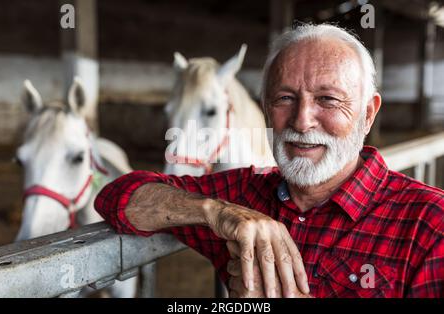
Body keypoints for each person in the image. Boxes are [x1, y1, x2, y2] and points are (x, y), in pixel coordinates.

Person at [94, 23, 444, 298]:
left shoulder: (430, 226)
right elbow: (116, 197)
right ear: (266, 109)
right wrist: (215, 212)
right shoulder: (243, 195)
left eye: (328, 99)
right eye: (285, 98)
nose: (302, 120)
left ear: (368, 115)